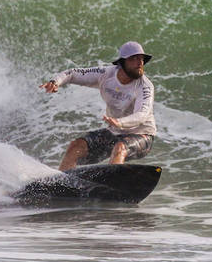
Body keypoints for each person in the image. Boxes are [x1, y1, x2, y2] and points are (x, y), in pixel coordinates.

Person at [40, 41, 157, 170]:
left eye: (141, 59)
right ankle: (61, 184)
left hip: (142, 134)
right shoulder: (106, 74)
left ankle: (112, 184)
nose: (140, 63)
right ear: (122, 62)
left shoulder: (145, 86)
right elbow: (73, 73)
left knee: (120, 148)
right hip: (115, 131)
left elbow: (141, 115)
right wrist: (55, 82)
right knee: (76, 146)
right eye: (134, 59)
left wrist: (120, 122)